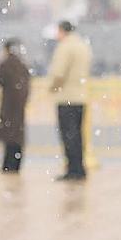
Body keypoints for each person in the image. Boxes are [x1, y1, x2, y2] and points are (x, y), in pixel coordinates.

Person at [48, 20, 92, 181]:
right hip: (81, 96)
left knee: (68, 135)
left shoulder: (65, 47)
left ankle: (73, 169)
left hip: (67, 97)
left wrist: (52, 87)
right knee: (78, 135)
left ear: (62, 31)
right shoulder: (83, 46)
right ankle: (79, 167)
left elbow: (59, 73)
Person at [0, 38, 31, 173]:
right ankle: (16, 163)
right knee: (17, 135)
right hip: (19, 106)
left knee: (9, 135)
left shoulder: (6, 64)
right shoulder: (23, 64)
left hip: (8, 105)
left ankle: (8, 164)